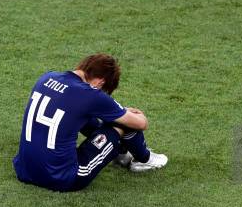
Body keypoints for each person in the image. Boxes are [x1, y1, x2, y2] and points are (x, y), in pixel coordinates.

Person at [12, 53, 168, 191]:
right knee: (124, 124)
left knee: (83, 117)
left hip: (24, 170)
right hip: (62, 178)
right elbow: (141, 124)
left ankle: (122, 154)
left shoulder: (46, 77)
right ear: (100, 82)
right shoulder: (90, 94)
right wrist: (133, 113)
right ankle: (145, 159)